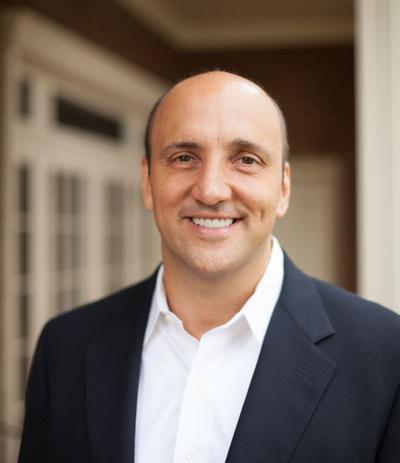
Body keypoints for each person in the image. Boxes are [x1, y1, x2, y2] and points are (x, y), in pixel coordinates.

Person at [19, 71, 400, 463]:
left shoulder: (387, 356)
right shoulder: (64, 348)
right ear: (147, 182)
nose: (211, 190)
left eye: (246, 160)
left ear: (283, 188)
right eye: (184, 158)